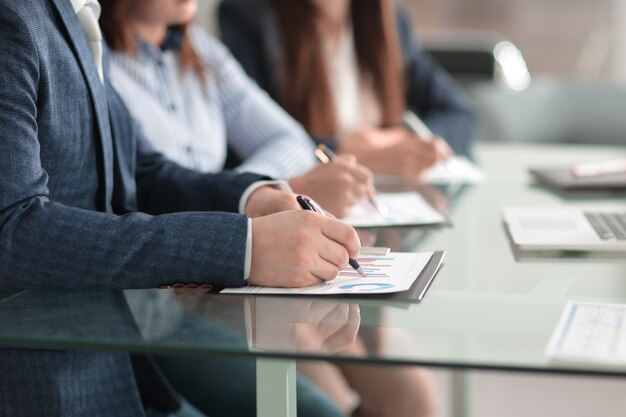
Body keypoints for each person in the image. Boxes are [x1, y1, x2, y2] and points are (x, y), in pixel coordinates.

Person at [0, 1, 361, 415]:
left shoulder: (72, 13)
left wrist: (252, 198)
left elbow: (141, 170)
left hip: (115, 350)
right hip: (48, 378)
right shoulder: (14, 18)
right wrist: (239, 247)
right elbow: (13, 231)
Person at [102, 0, 373, 218]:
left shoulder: (203, 50)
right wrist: (245, 195)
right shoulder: (96, 61)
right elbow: (140, 188)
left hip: (219, 244)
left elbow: (292, 140)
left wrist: (247, 191)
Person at [218, 0, 479, 177]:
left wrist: (390, 141)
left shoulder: (390, 22)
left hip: (388, 206)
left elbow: (461, 116)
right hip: (310, 208)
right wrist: (341, 151)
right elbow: (246, 139)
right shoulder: (248, 16)